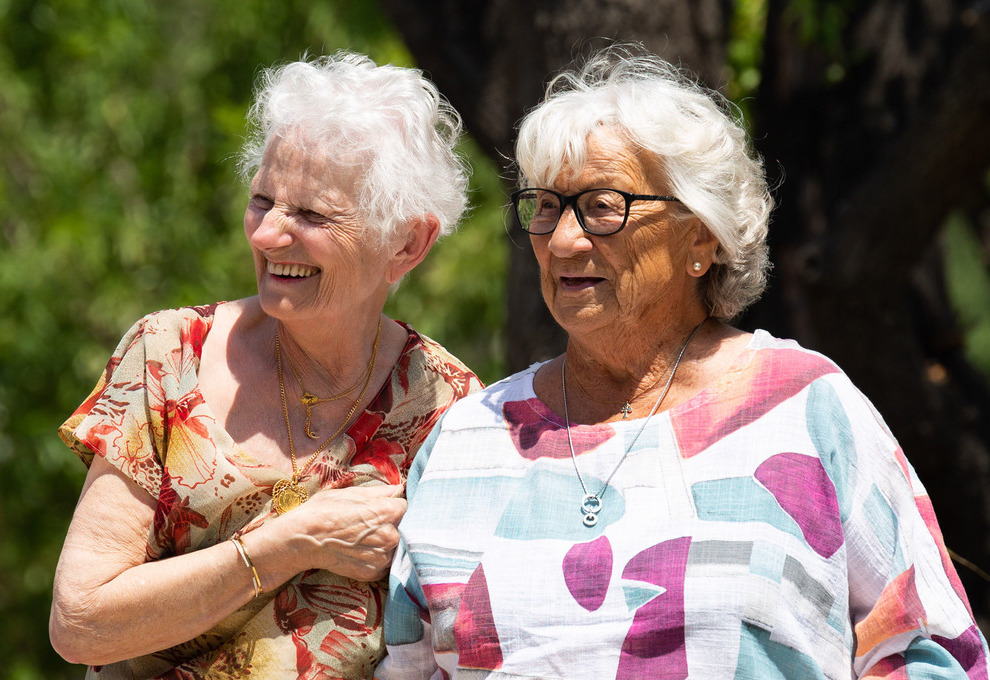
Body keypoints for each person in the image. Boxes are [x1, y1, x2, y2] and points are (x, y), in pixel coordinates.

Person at [376, 46, 989, 679]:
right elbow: (403, 664)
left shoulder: (804, 408)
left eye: (602, 206)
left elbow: (933, 650)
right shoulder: (467, 436)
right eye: (547, 207)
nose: (562, 241)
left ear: (700, 237)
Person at [50, 52, 482, 679]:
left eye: (311, 215)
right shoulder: (169, 355)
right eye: (262, 200)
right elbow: (79, 623)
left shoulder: (451, 408)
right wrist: (291, 542)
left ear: (408, 242)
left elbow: (463, 644)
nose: (266, 234)